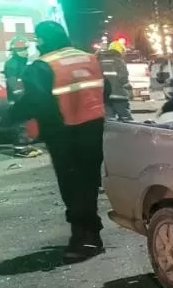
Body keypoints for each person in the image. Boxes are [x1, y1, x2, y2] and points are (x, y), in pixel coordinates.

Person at [7, 21, 107, 263]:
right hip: (93, 130)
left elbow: (36, 101)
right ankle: (93, 235)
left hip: (63, 133)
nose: (37, 44)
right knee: (89, 184)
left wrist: (11, 114)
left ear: (44, 39)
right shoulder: (89, 59)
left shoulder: (43, 66)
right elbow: (105, 88)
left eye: (38, 39)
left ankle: (81, 239)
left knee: (72, 187)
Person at [3, 37, 40, 157]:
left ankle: (26, 145)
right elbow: (14, 82)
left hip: (24, 96)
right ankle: (21, 148)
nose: (25, 51)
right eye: (22, 49)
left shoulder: (23, 61)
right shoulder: (12, 63)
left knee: (26, 123)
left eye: (25, 48)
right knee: (20, 124)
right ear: (15, 50)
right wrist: (20, 97)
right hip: (18, 98)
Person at [97, 41, 135, 121]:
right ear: (120, 50)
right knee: (126, 120)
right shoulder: (118, 60)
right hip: (119, 96)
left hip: (104, 96)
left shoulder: (100, 59)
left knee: (109, 121)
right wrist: (130, 91)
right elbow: (123, 77)